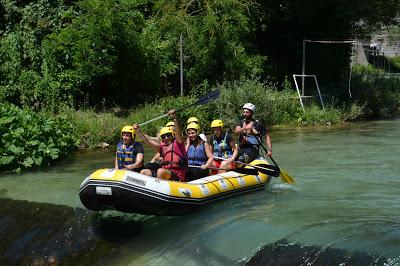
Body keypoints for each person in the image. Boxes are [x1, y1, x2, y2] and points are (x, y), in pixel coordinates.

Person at [134, 110, 187, 181]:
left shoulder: (179, 144)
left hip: (177, 175)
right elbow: (149, 141)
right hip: (165, 173)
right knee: (144, 172)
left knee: (160, 171)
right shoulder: (162, 147)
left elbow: (178, 133)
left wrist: (175, 118)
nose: (166, 138)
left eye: (168, 135)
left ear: (172, 135)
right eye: (163, 137)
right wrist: (138, 131)